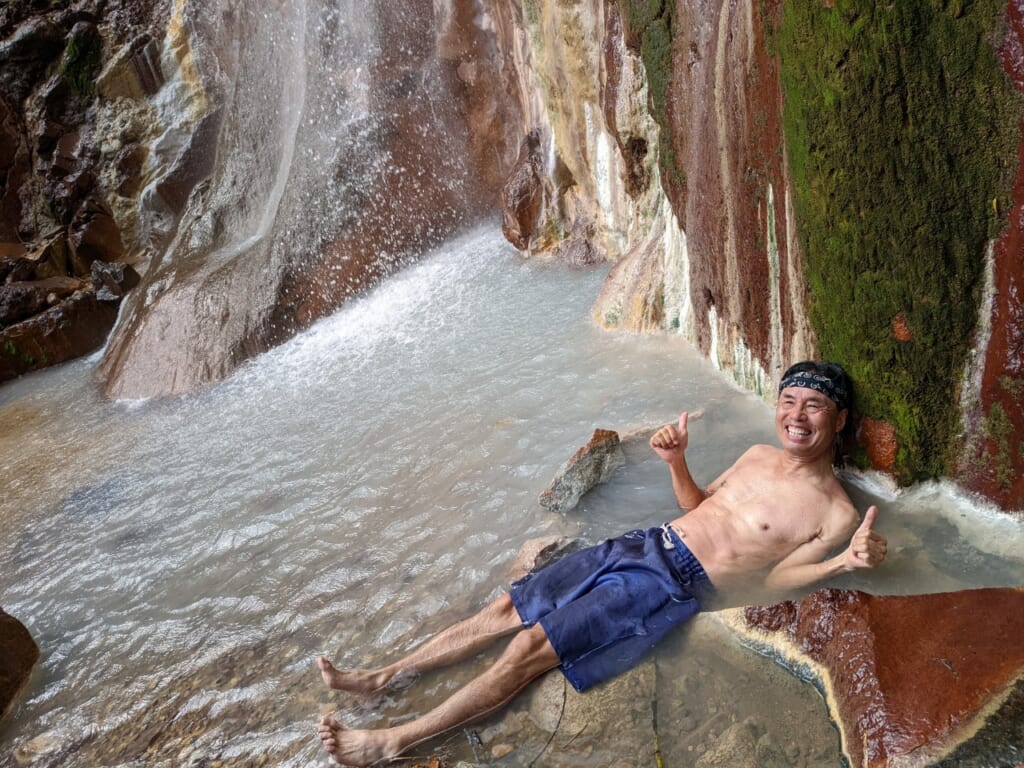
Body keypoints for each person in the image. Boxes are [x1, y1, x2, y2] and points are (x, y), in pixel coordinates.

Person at [316, 360, 888, 766]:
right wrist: (675, 461)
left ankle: (394, 742)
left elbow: (773, 580)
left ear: (838, 420)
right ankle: (382, 678)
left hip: (674, 583)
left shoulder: (834, 511)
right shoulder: (758, 454)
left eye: (814, 405)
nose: (796, 414)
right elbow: (697, 506)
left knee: (528, 648)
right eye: (789, 400)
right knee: (507, 608)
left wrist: (841, 567)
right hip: (645, 542)